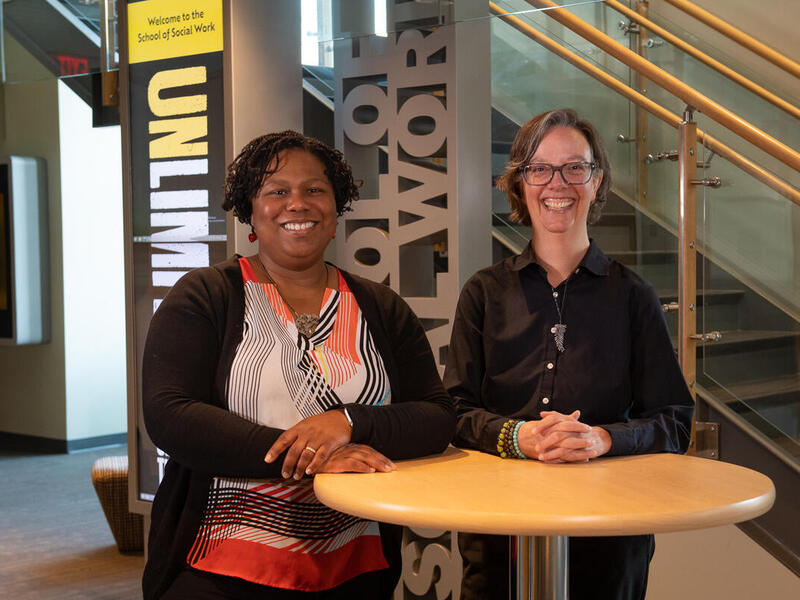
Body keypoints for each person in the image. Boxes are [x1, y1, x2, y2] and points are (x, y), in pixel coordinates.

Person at [141, 130, 456, 600]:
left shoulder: (381, 307)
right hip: (220, 565)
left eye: (314, 189)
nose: (298, 204)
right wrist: (314, 458)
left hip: (356, 564)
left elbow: (436, 416)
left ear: (335, 210)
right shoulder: (206, 296)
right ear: (251, 211)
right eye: (277, 191)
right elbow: (171, 415)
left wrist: (348, 422)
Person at [443, 109, 694, 600]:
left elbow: (675, 421)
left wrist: (603, 438)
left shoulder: (634, 296)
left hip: (610, 532)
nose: (557, 183)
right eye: (539, 169)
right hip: (497, 528)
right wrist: (518, 436)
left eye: (575, 168)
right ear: (520, 184)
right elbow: (453, 409)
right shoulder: (483, 292)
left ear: (596, 182)